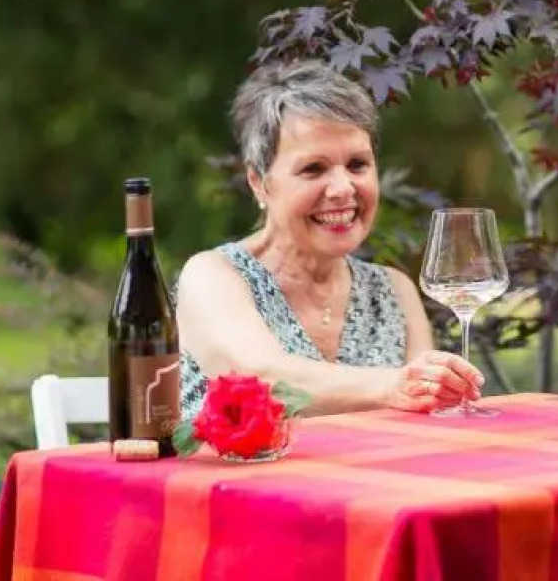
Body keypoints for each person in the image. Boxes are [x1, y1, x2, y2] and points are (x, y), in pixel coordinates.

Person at [176, 59, 484, 417]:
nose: (342, 188)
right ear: (259, 182)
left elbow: (425, 416)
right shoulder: (211, 276)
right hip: (233, 474)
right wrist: (393, 386)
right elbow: (258, 378)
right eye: (313, 169)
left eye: (357, 165)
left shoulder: (395, 291)